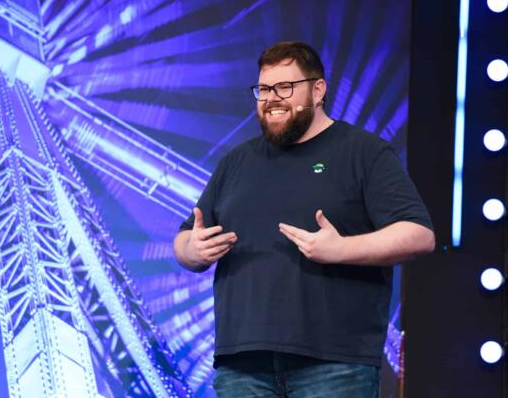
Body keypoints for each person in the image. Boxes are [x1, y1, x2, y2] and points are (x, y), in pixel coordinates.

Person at [173, 41, 434, 397]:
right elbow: (185, 239)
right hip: (241, 365)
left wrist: (341, 249)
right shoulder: (236, 162)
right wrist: (193, 250)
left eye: (284, 88)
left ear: (318, 90)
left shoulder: (363, 152)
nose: (271, 99)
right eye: (264, 89)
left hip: (335, 365)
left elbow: (418, 234)